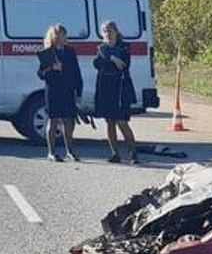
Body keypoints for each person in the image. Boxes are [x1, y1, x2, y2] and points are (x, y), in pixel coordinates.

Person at [91, 20, 139, 163]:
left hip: (121, 89)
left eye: (110, 30)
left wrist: (110, 60)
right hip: (106, 88)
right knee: (110, 122)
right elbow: (97, 63)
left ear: (116, 31)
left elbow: (124, 65)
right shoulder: (102, 48)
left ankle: (133, 153)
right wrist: (111, 58)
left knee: (122, 122)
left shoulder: (124, 47)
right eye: (105, 31)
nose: (107, 33)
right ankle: (115, 153)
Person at [36, 23, 82, 162]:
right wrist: (52, 68)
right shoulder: (47, 52)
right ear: (54, 37)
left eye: (64, 34)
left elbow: (76, 72)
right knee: (54, 120)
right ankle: (51, 152)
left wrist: (78, 91)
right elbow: (40, 74)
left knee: (69, 120)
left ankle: (70, 151)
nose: (62, 37)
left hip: (68, 90)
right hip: (53, 90)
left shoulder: (70, 51)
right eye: (59, 34)